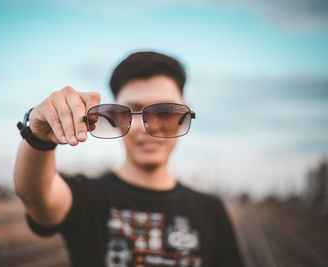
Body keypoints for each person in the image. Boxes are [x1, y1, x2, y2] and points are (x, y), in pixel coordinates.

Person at [13, 51, 245, 267]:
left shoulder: (212, 212)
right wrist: (37, 137)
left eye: (164, 112)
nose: (146, 127)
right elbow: (36, 196)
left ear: (184, 114)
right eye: (133, 110)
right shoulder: (87, 198)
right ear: (115, 117)